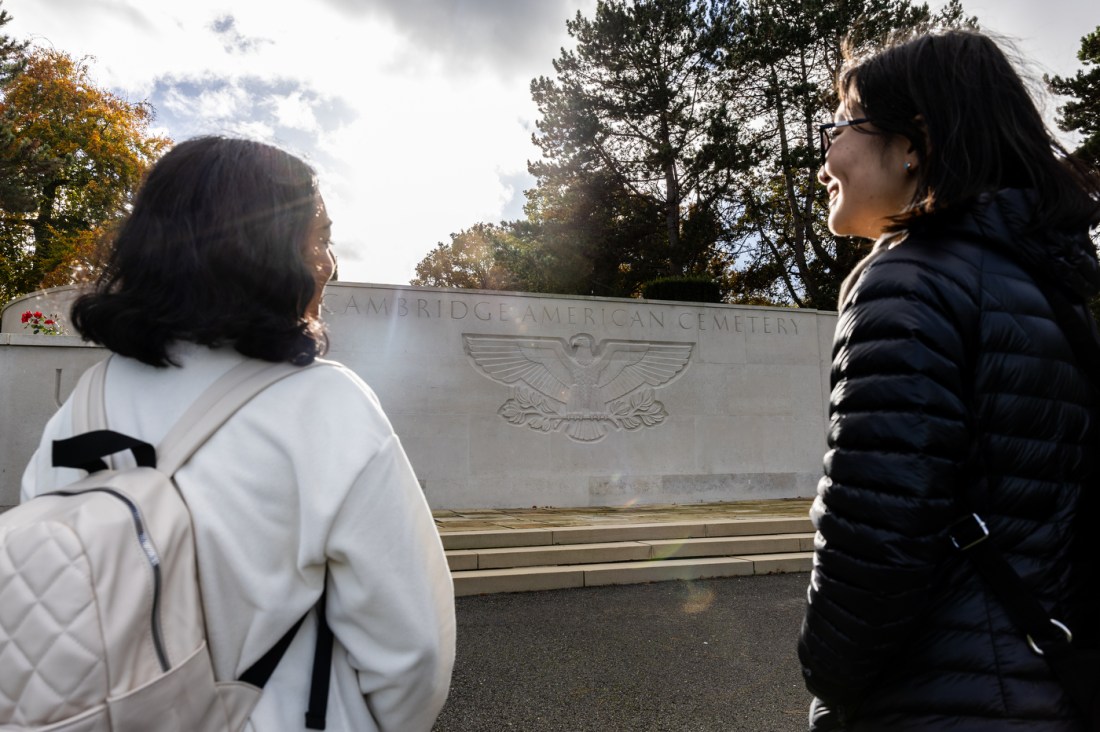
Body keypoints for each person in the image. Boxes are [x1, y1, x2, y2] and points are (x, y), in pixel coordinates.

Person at [20, 136, 456, 731]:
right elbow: (412, 652)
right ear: (263, 248)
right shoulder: (325, 404)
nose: (328, 264)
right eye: (320, 237)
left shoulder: (83, 403)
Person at [798, 29, 1100, 731]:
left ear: (915, 142)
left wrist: (828, 680)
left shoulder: (906, 281)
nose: (824, 162)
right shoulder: (1046, 287)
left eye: (839, 126)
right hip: (1048, 690)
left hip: (939, 702)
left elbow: (874, 541)